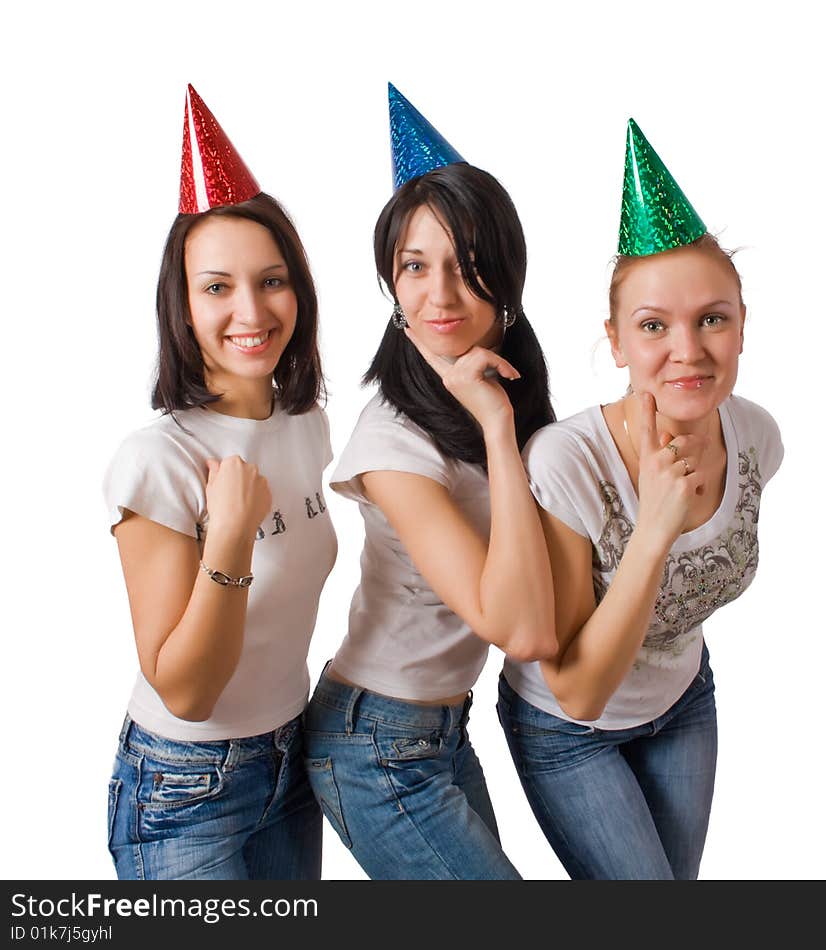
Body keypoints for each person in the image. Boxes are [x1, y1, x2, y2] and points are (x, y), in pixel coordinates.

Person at [497, 119, 784, 880]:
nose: (688, 351)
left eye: (712, 319)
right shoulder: (567, 460)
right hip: (569, 731)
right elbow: (579, 688)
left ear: (742, 326)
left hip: (685, 703)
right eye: (654, 326)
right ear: (617, 341)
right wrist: (653, 527)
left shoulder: (756, 437)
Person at [304, 84, 556, 880]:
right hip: (375, 744)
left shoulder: (502, 389)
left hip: (443, 729)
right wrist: (496, 428)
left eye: (467, 267)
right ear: (391, 280)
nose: (439, 295)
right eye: (415, 267)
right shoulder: (393, 441)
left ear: (506, 282)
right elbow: (515, 625)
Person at [103, 85, 336, 880]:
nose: (252, 310)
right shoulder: (157, 460)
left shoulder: (306, 421)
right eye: (217, 287)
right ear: (183, 304)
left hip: (292, 760)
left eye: (272, 281)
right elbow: (188, 692)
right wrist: (229, 536)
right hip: (184, 786)